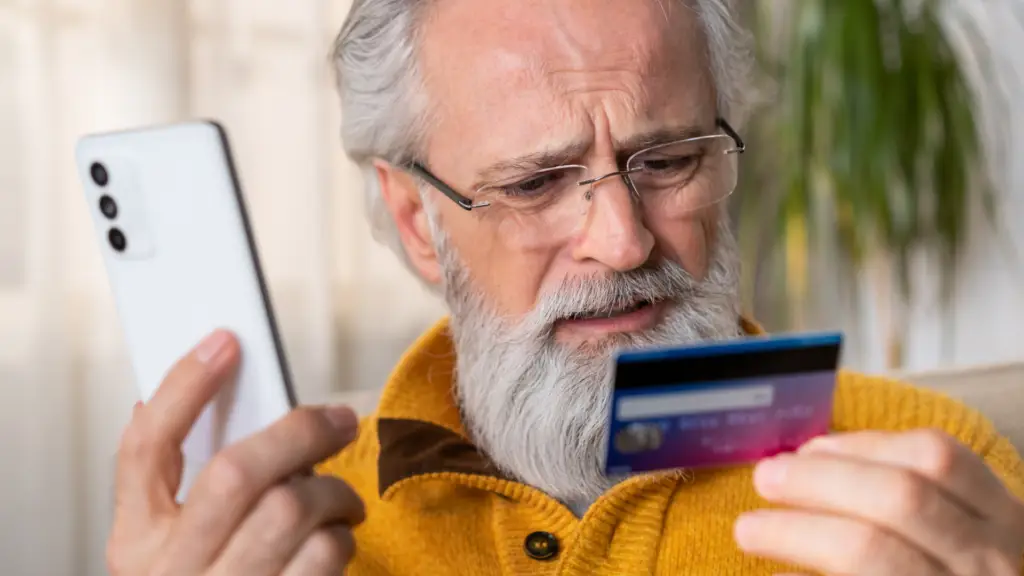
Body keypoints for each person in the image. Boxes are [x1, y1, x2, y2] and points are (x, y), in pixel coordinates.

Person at [105, 0, 1024, 574]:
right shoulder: (286, 540)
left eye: (666, 159)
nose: (622, 242)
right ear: (421, 221)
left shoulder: (937, 468)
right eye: (536, 183)